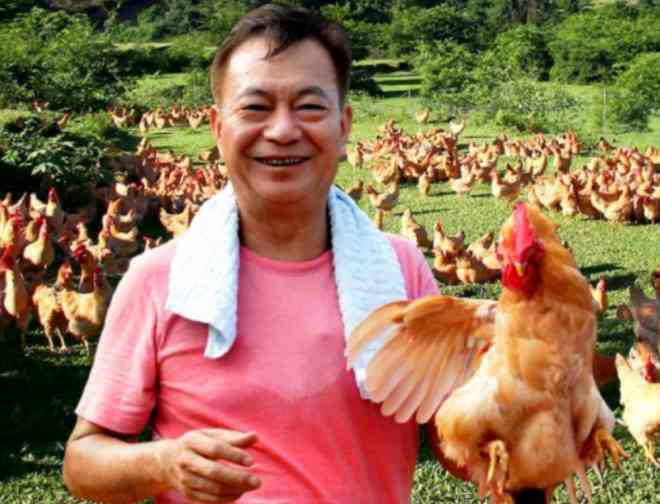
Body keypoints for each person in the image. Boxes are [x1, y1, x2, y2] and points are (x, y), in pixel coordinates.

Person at [63, 4, 444, 503]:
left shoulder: (400, 270)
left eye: (310, 107)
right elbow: (82, 463)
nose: (282, 131)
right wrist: (164, 463)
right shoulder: (158, 280)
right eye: (255, 108)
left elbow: (456, 438)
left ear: (344, 126)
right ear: (218, 128)